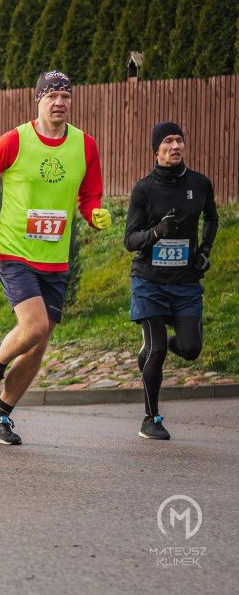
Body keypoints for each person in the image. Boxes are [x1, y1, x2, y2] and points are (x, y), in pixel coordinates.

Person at [0, 71, 111, 445]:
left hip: (56, 259)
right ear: (38, 101)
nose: (59, 102)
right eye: (51, 96)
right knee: (34, 326)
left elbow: (89, 196)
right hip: (15, 253)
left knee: (39, 344)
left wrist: (94, 213)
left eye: (65, 96)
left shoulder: (85, 145)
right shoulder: (15, 140)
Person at [124, 122, 218, 440]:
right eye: (168, 141)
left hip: (186, 282)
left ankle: (155, 347)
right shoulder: (144, 190)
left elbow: (212, 218)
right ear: (156, 150)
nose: (176, 146)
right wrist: (157, 232)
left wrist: (204, 250)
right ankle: (151, 419)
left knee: (191, 349)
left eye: (179, 140)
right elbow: (130, 240)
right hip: (149, 281)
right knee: (157, 351)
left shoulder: (200, 184)